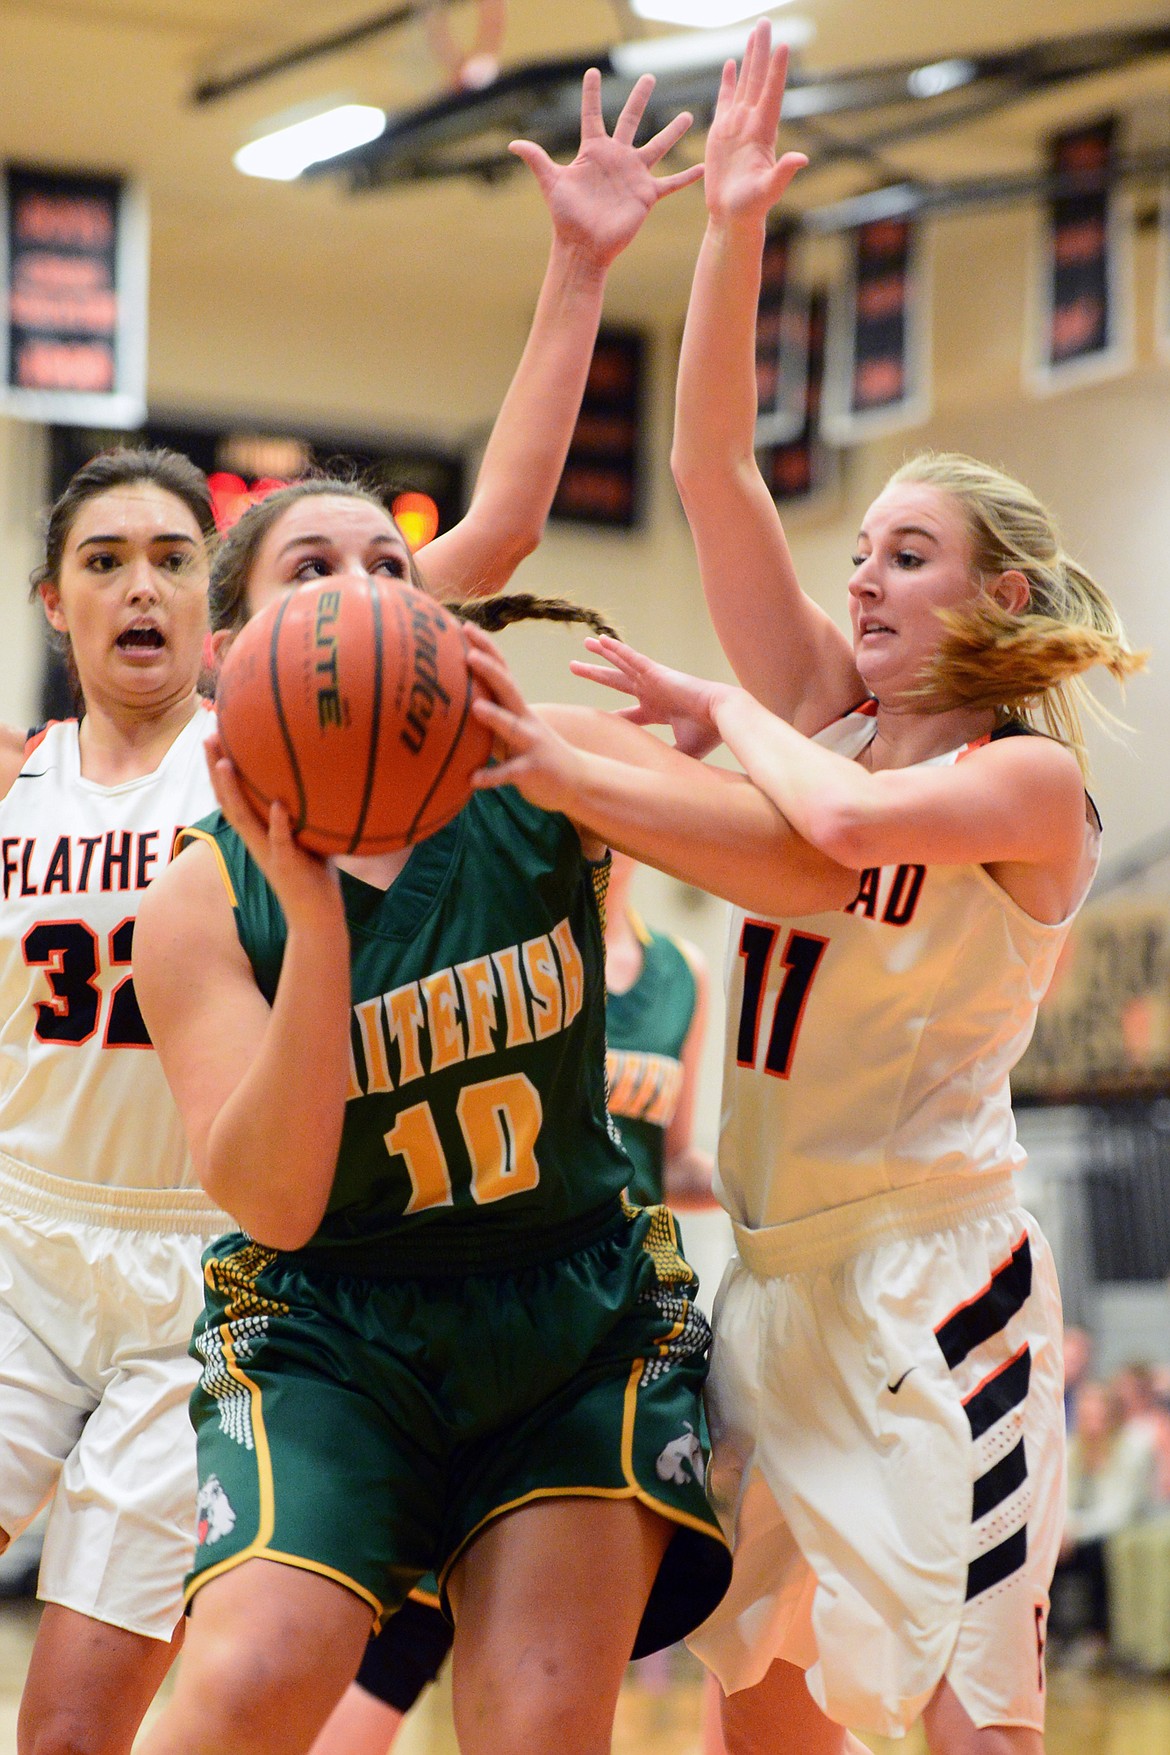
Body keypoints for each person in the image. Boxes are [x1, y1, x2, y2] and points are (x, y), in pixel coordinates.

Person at [0, 67, 703, 1755]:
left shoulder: (367, 714)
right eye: (106, 563)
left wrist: (581, 271)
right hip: (80, 1230)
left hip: (267, 1259)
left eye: (174, 553)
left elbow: (511, 512)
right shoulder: (59, 771)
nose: (146, 584)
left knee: (112, 1707)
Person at [468, 24, 1146, 1753]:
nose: (861, 582)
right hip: (769, 1279)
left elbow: (838, 834)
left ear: (998, 596)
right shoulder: (826, 723)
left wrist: (713, 719)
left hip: (940, 1290)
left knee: (970, 1717)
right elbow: (711, 473)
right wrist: (734, 230)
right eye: (859, 556)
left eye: (903, 557)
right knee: (758, 1709)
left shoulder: (1024, 781)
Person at [130, 477, 849, 1755]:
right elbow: (280, 1202)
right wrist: (309, 917)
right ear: (232, 658)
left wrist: (581, 775)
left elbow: (811, 873)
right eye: (311, 568)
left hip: (566, 1317)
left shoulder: (539, 758)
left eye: (389, 566)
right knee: (248, 1687)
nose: (361, 587)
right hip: (329, 1330)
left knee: (535, 1725)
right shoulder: (198, 901)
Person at [307, 852, 714, 1755]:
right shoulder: (514, 951)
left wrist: (761, 1185)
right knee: (399, 1649)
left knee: (528, 1680)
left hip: (608, 1315)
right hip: (486, 1296)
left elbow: (670, 1154)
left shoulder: (684, 972)